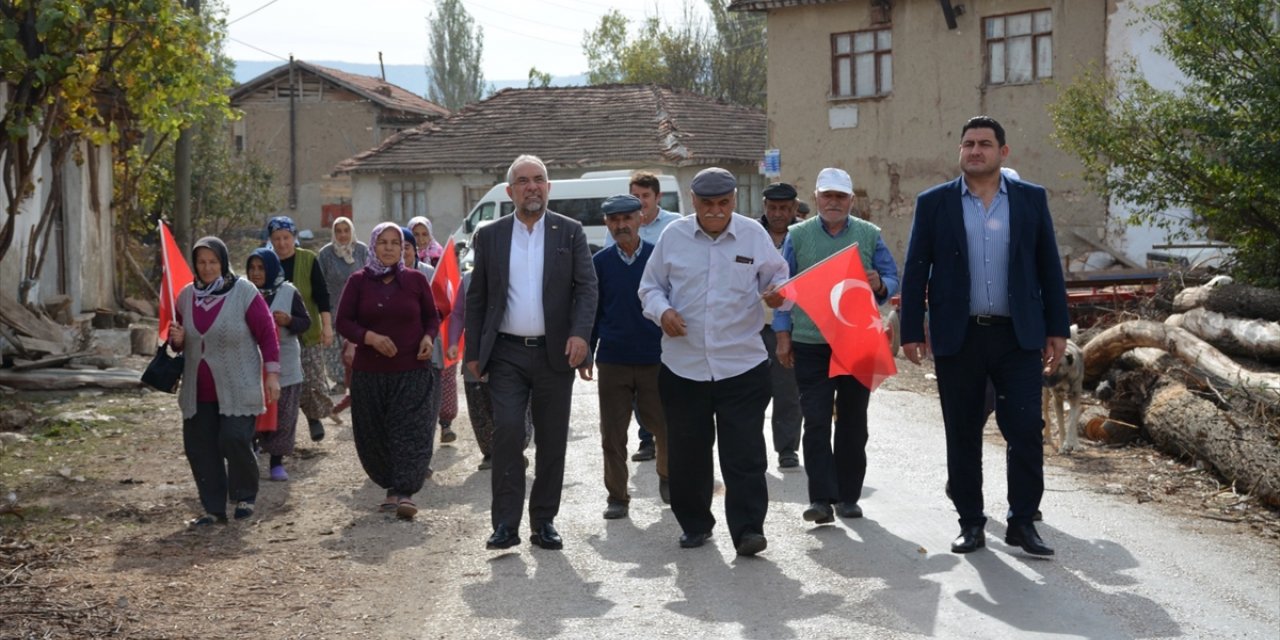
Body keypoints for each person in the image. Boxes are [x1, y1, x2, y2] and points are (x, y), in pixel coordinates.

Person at [899, 115, 1069, 556]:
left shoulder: (1030, 200)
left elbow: (1049, 266)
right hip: (960, 337)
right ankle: (971, 523)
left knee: (1027, 428)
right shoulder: (935, 203)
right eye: (968, 143)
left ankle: (1022, 522)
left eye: (985, 144)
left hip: (1018, 336)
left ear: (1003, 153)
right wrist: (911, 330)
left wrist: (1057, 328)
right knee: (962, 431)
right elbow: (916, 268)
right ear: (960, 151)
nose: (975, 151)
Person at [638, 167, 788, 556]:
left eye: (724, 203)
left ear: (735, 200)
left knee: (744, 453)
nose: (717, 211)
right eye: (708, 204)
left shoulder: (754, 236)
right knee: (688, 452)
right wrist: (663, 311)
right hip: (683, 367)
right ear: (694, 202)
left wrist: (777, 295)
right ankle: (694, 524)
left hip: (742, 365)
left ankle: (748, 529)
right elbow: (650, 287)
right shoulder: (674, 237)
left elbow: (780, 281)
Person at [465, 155, 598, 551]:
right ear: (510, 192)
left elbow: (587, 289)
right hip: (505, 354)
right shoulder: (489, 236)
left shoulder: (569, 232)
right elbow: (477, 298)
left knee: (552, 439)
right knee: (507, 432)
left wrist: (580, 335)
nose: (532, 187)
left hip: (555, 354)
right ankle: (506, 524)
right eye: (523, 181)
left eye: (539, 180)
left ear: (548, 187)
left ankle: (544, 522)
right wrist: (473, 351)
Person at [768, 168, 900, 524]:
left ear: (851, 201)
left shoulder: (870, 235)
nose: (833, 203)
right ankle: (821, 500)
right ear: (815, 198)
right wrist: (782, 335)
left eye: (840, 197)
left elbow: (892, 279)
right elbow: (785, 290)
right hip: (810, 342)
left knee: (854, 422)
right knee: (815, 420)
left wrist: (879, 283)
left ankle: (848, 496)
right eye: (827, 196)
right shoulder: (797, 235)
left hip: (857, 340)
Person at [170, 237, 281, 526]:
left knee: (234, 438)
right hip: (198, 390)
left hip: (238, 385)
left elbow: (267, 333)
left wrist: (272, 374)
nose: (207, 268)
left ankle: (245, 495)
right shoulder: (185, 296)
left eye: (213, 262)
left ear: (223, 262)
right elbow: (180, 341)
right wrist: (177, 341)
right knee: (201, 447)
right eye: (201, 262)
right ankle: (213, 508)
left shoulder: (243, 292)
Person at [335, 222, 440, 520]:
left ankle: (404, 492)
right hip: (370, 373)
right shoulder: (358, 282)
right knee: (375, 432)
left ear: (406, 248)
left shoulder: (417, 281)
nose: (391, 248)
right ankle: (390, 486)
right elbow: (344, 322)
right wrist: (369, 338)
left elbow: (432, 318)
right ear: (373, 246)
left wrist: (427, 338)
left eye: (397, 242)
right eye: (384, 242)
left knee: (410, 430)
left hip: (412, 371)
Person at [581, 194, 670, 520]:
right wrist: (587, 351)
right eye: (614, 220)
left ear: (640, 219)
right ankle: (617, 496)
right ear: (607, 223)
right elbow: (591, 310)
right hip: (613, 359)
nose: (621, 225)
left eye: (627, 218)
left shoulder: (658, 258)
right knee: (613, 434)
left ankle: (667, 474)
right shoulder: (601, 262)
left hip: (655, 357)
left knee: (664, 426)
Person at [603, 171, 681, 463]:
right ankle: (642, 446)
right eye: (636, 196)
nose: (622, 225)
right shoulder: (608, 249)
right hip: (620, 339)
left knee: (661, 408)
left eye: (645, 197)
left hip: (658, 335)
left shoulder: (671, 231)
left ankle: (667, 470)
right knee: (617, 421)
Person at [246, 248, 311, 482]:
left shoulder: (288, 291)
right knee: (251, 413)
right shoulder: (243, 292)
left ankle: (276, 462)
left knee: (283, 416)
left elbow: (306, 322)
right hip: (252, 367)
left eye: (261, 268)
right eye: (252, 268)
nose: (255, 273)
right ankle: (251, 453)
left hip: (286, 367)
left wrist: (290, 320)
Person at [266, 216, 334, 443]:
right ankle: (280, 429)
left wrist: (327, 327)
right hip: (278, 336)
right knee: (286, 381)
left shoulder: (308, 259)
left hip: (307, 331)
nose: (282, 243)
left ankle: (313, 417)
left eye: (286, 237)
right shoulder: (267, 262)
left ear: (294, 237)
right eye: (277, 238)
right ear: (271, 240)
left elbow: (322, 296)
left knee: (312, 379)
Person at [757, 182, 804, 469]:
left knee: (788, 390)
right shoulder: (750, 234)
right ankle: (751, 446)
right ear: (765, 207)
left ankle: (787, 448)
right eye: (772, 208)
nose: (777, 214)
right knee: (751, 390)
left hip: (790, 325)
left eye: (784, 208)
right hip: (753, 326)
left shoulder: (803, 235)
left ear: (794, 209)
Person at [408, 216, 460, 445]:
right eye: (415, 235)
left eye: (423, 234)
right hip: (413, 335)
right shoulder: (402, 266)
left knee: (445, 376)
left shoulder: (440, 259)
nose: (420, 240)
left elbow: (451, 294)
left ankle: (446, 424)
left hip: (440, 329)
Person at [317, 216, 368, 396]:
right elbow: (319, 283)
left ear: (352, 231)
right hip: (332, 308)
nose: (343, 235)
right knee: (332, 348)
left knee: (357, 346)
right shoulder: (325, 254)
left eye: (346, 230)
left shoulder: (362, 251)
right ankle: (339, 382)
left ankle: (357, 380)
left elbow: (370, 277)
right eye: (338, 231)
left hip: (358, 310)